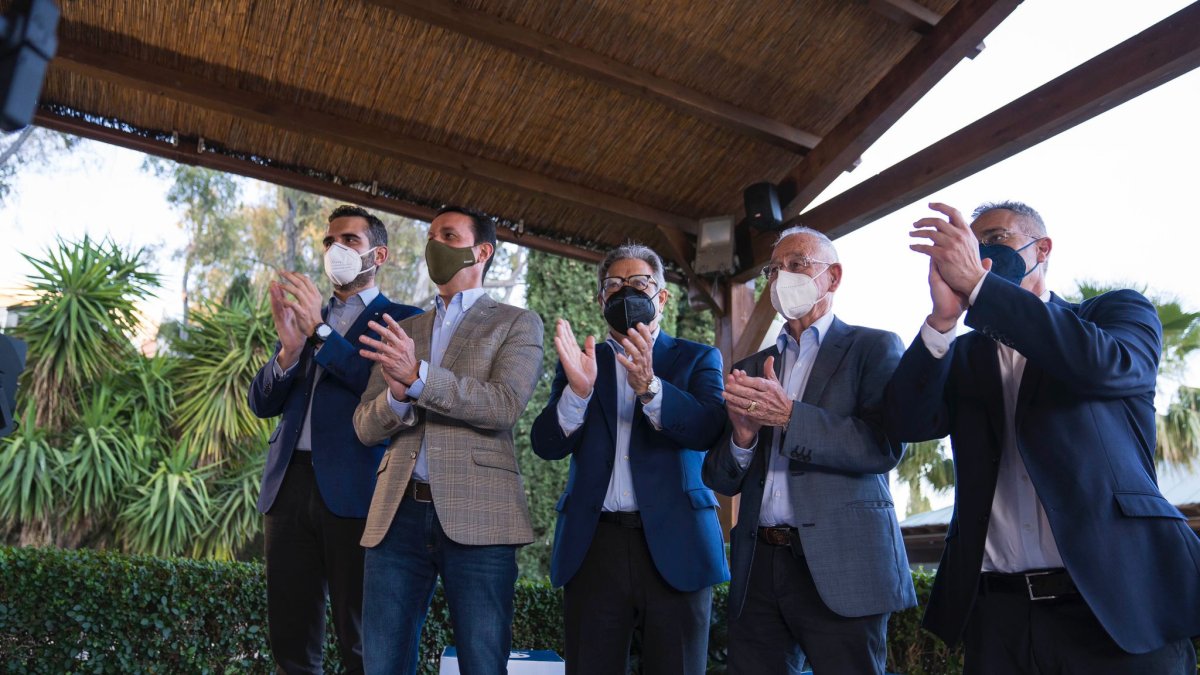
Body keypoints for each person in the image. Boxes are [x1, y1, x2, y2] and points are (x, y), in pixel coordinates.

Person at [885, 201, 1200, 673]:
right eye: (973, 244)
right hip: (999, 616)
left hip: (1112, 605)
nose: (981, 251)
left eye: (996, 238)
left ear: (1042, 248)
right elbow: (905, 423)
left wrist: (981, 287)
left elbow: (1103, 367)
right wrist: (942, 322)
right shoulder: (964, 352)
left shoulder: (1113, 314)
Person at [703, 226, 915, 675]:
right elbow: (720, 478)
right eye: (774, 269)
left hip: (843, 564)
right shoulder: (749, 367)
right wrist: (742, 438)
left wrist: (789, 417)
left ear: (833, 277)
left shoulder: (872, 347)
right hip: (760, 565)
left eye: (797, 264)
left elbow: (884, 447)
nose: (783, 278)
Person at [351, 205, 544, 675]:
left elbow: (503, 405)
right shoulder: (407, 330)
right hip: (397, 516)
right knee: (382, 664)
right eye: (431, 235)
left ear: (481, 251)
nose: (433, 244)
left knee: (482, 662)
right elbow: (363, 426)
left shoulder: (516, 323)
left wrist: (418, 379)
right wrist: (396, 399)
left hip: (480, 516)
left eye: (448, 234)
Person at [530, 243, 729, 675]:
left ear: (661, 297)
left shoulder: (696, 357)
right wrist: (577, 394)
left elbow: (708, 429)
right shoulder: (582, 363)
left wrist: (651, 387)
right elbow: (546, 444)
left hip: (677, 544)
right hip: (594, 544)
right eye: (614, 285)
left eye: (639, 283)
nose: (625, 292)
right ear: (602, 300)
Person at [248, 204, 422, 674]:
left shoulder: (403, 320)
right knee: (290, 639)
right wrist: (288, 351)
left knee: (361, 641)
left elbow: (380, 386)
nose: (335, 249)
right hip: (287, 491)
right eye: (329, 241)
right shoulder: (308, 317)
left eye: (349, 241)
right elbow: (262, 404)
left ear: (378, 254)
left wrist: (320, 334)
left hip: (358, 491)